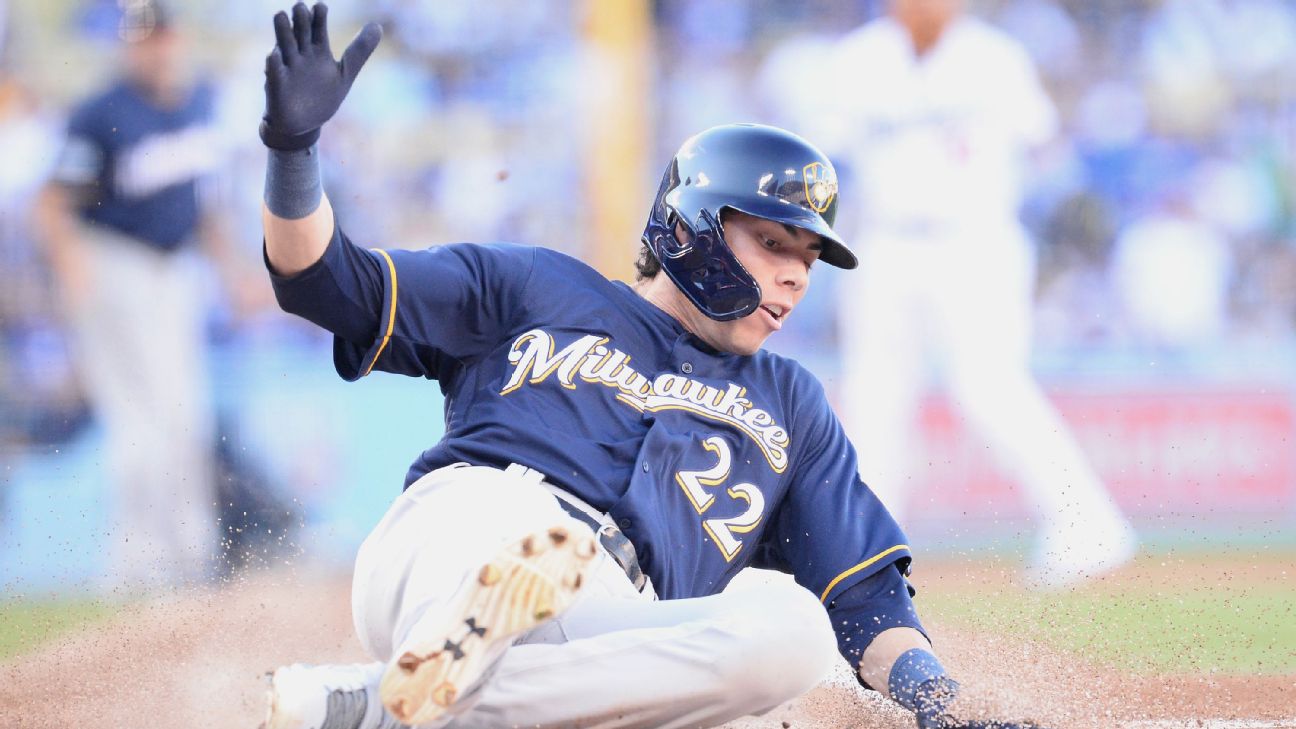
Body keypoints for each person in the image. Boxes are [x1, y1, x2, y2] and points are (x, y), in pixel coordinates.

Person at [257, 4, 1042, 728]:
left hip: (610, 619)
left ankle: (387, 702)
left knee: (797, 633)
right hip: (469, 528)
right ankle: (418, 679)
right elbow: (328, 284)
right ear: (693, 227)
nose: (796, 276)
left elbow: (866, 601)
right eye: (774, 243)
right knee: (529, 545)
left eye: (808, 257)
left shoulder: (791, 404)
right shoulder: (537, 286)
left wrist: (938, 704)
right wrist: (293, 154)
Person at [805, 0, 1137, 588]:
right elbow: (825, 158)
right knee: (875, 395)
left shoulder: (993, 58)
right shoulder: (857, 60)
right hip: (883, 241)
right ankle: (870, 551)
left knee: (990, 386)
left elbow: (1044, 143)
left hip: (975, 242)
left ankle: (1087, 524)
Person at [33, 0, 260, 589]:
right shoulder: (101, 112)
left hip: (175, 272)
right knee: (140, 421)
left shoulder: (200, 101)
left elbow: (203, 203)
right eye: (141, 39)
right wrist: (74, 272)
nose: (153, 48)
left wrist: (232, 271)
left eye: (160, 36)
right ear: (127, 46)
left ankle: (192, 555)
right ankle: (137, 565)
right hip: (114, 265)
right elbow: (54, 204)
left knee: (186, 415)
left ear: (177, 38)